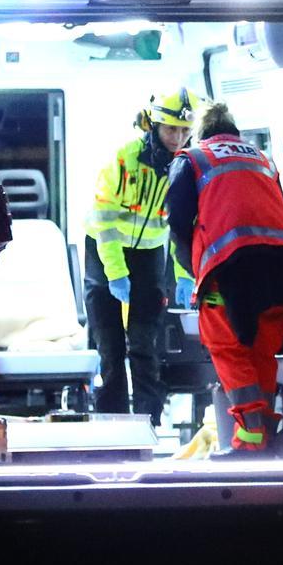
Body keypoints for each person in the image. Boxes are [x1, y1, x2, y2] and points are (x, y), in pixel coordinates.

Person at [166, 102, 283, 457]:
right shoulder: (264, 160)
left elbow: (179, 225)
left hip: (232, 268)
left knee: (228, 348)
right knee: (263, 349)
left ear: (202, 133)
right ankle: (264, 438)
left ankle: (250, 438)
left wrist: (193, 274)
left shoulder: (193, 159)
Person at [84, 87, 200, 421]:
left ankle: (149, 420)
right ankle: (111, 419)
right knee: (110, 345)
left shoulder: (185, 167)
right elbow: (103, 220)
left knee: (144, 344)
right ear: (152, 125)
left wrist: (184, 274)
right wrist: (115, 272)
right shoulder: (124, 159)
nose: (177, 138)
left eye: (184, 130)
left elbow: (183, 225)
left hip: (149, 255)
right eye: (170, 129)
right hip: (104, 251)